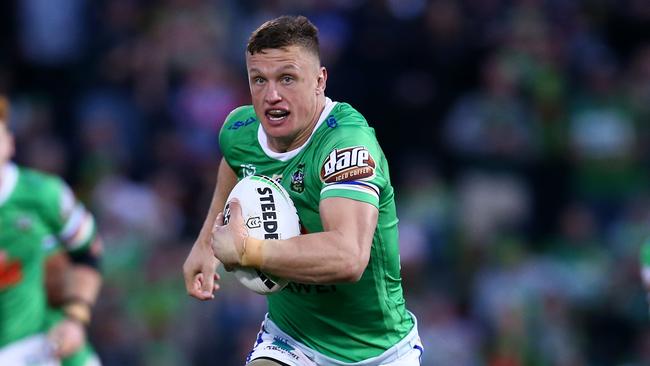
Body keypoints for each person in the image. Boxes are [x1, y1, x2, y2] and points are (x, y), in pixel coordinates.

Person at [183, 15, 423, 365]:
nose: (272, 95)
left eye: (287, 79)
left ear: (319, 81)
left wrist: (248, 250)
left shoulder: (346, 146)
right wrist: (206, 245)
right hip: (291, 340)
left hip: (377, 351)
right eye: (259, 80)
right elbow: (234, 164)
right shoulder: (240, 130)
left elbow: (348, 257)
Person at [0, 95, 103, 365]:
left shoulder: (43, 196)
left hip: (42, 346)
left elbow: (87, 253)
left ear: (9, 142)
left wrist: (75, 320)